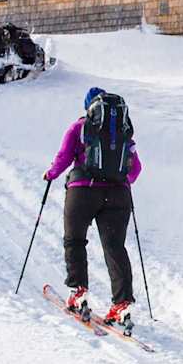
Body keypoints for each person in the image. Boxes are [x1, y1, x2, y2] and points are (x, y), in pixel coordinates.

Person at [43, 87, 143, 328]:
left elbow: (64, 157)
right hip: (118, 195)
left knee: (75, 240)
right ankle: (122, 304)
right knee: (114, 247)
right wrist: (119, 182)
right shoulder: (122, 133)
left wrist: (50, 174)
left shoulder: (80, 127)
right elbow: (136, 168)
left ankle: (79, 292)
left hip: (83, 191)